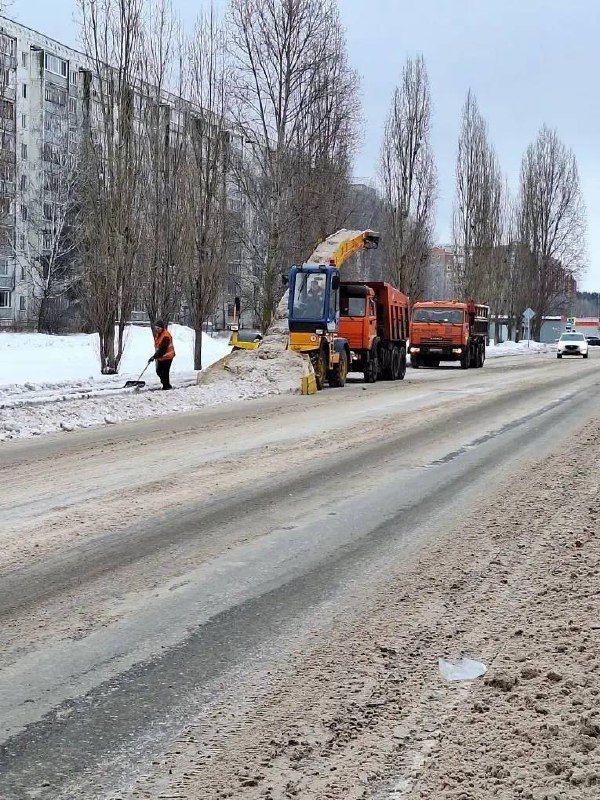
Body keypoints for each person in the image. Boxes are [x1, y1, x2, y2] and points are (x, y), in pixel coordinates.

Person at [149, 320, 175, 390]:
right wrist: (154, 356)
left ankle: (166, 386)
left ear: (162, 328)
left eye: (158, 328)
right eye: (156, 328)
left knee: (165, 372)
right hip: (161, 357)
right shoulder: (159, 334)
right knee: (159, 371)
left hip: (168, 357)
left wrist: (154, 357)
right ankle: (166, 385)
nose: (157, 330)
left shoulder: (165, 336)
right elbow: (158, 348)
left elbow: (163, 350)